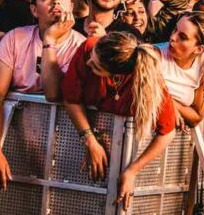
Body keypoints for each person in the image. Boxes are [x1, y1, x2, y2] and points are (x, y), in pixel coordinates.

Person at [0, 0, 85, 191]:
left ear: (71, 6)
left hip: (62, 141)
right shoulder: (16, 37)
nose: (56, 2)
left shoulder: (81, 45)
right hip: (16, 137)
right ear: (34, 10)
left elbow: (53, 93)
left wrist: (49, 41)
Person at [62, 32, 176, 211]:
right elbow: (70, 100)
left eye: (97, 67)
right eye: (92, 56)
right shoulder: (89, 47)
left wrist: (132, 171)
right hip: (75, 140)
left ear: (117, 75)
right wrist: (90, 140)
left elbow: (167, 132)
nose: (88, 63)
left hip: (125, 158)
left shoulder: (147, 81)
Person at [158, 11, 204, 127]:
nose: (172, 38)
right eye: (175, 30)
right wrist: (171, 108)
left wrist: (172, 105)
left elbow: (196, 118)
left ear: (199, 49)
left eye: (182, 37)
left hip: (178, 137)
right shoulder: (154, 55)